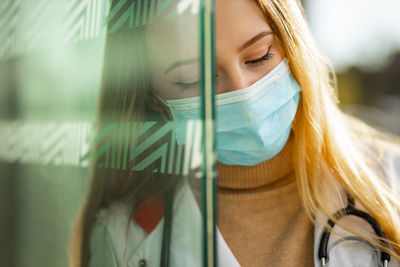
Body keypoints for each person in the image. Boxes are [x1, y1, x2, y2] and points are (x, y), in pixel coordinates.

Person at [69, 0, 400, 266]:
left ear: (292, 43)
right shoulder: (120, 241)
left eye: (260, 55)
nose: (244, 93)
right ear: (154, 101)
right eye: (194, 78)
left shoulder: (392, 179)